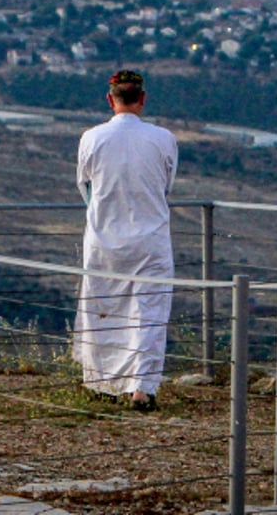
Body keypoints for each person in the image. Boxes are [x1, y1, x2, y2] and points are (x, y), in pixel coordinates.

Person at [73, 69, 178, 410]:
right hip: (150, 238)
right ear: (142, 99)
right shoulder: (164, 139)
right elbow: (166, 185)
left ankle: (101, 381)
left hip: (105, 236)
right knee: (150, 313)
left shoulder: (91, 138)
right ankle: (142, 388)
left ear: (110, 99)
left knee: (103, 307)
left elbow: (84, 184)